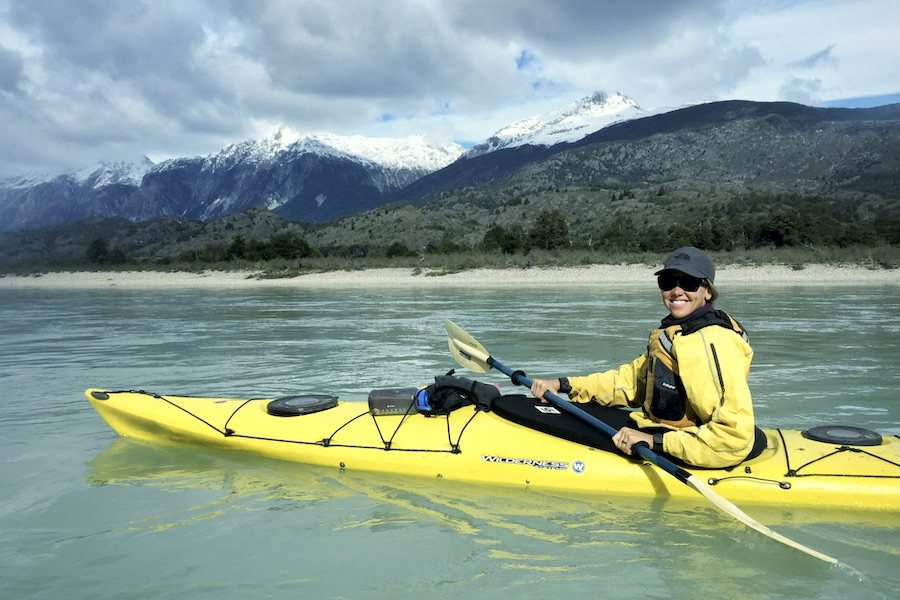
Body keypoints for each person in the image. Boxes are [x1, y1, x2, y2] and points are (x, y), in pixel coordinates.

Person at [530, 247, 764, 469]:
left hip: (688, 446)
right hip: (664, 431)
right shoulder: (678, 333)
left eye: (689, 283)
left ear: (708, 291)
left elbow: (732, 437)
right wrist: (563, 385)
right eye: (668, 282)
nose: (677, 291)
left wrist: (656, 442)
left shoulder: (711, 342)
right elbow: (630, 383)